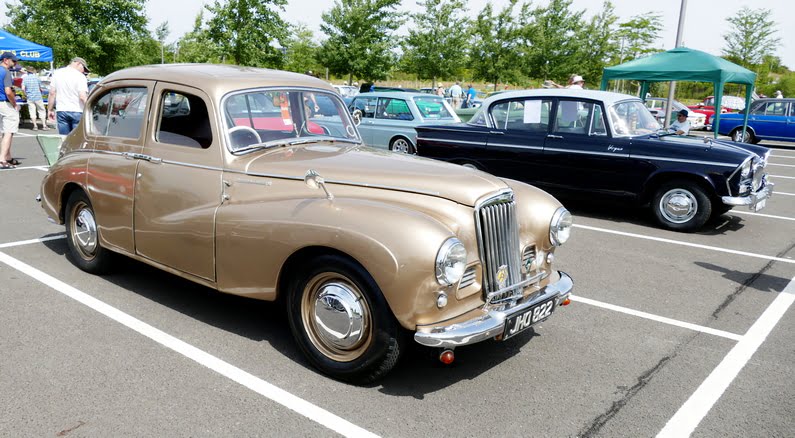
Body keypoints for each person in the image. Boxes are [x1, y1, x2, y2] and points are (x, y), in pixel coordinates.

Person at [48, 57, 90, 134]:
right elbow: (82, 96)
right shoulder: (80, 76)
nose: (84, 71)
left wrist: (50, 109)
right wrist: (90, 109)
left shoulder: (57, 73)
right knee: (76, 139)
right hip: (77, 110)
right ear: (78, 63)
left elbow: (52, 93)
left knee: (64, 139)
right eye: (83, 68)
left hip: (62, 110)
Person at [0, 52, 20, 169]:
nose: (15, 63)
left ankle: (7, 157)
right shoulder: (6, 72)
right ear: (6, 60)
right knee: (9, 131)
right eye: (13, 61)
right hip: (5, 104)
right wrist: (15, 104)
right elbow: (8, 91)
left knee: (3, 131)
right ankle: (2, 159)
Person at [22, 66, 48, 131]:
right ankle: (44, 125)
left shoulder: (25, 79)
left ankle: (35, 126)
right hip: (38, 97)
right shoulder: (37, 78)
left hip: (30, 97)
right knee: (41, 111)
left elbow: (23, 88)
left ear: (27, 72)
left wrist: (25, 95)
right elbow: (40, 88)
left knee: (32, 111)